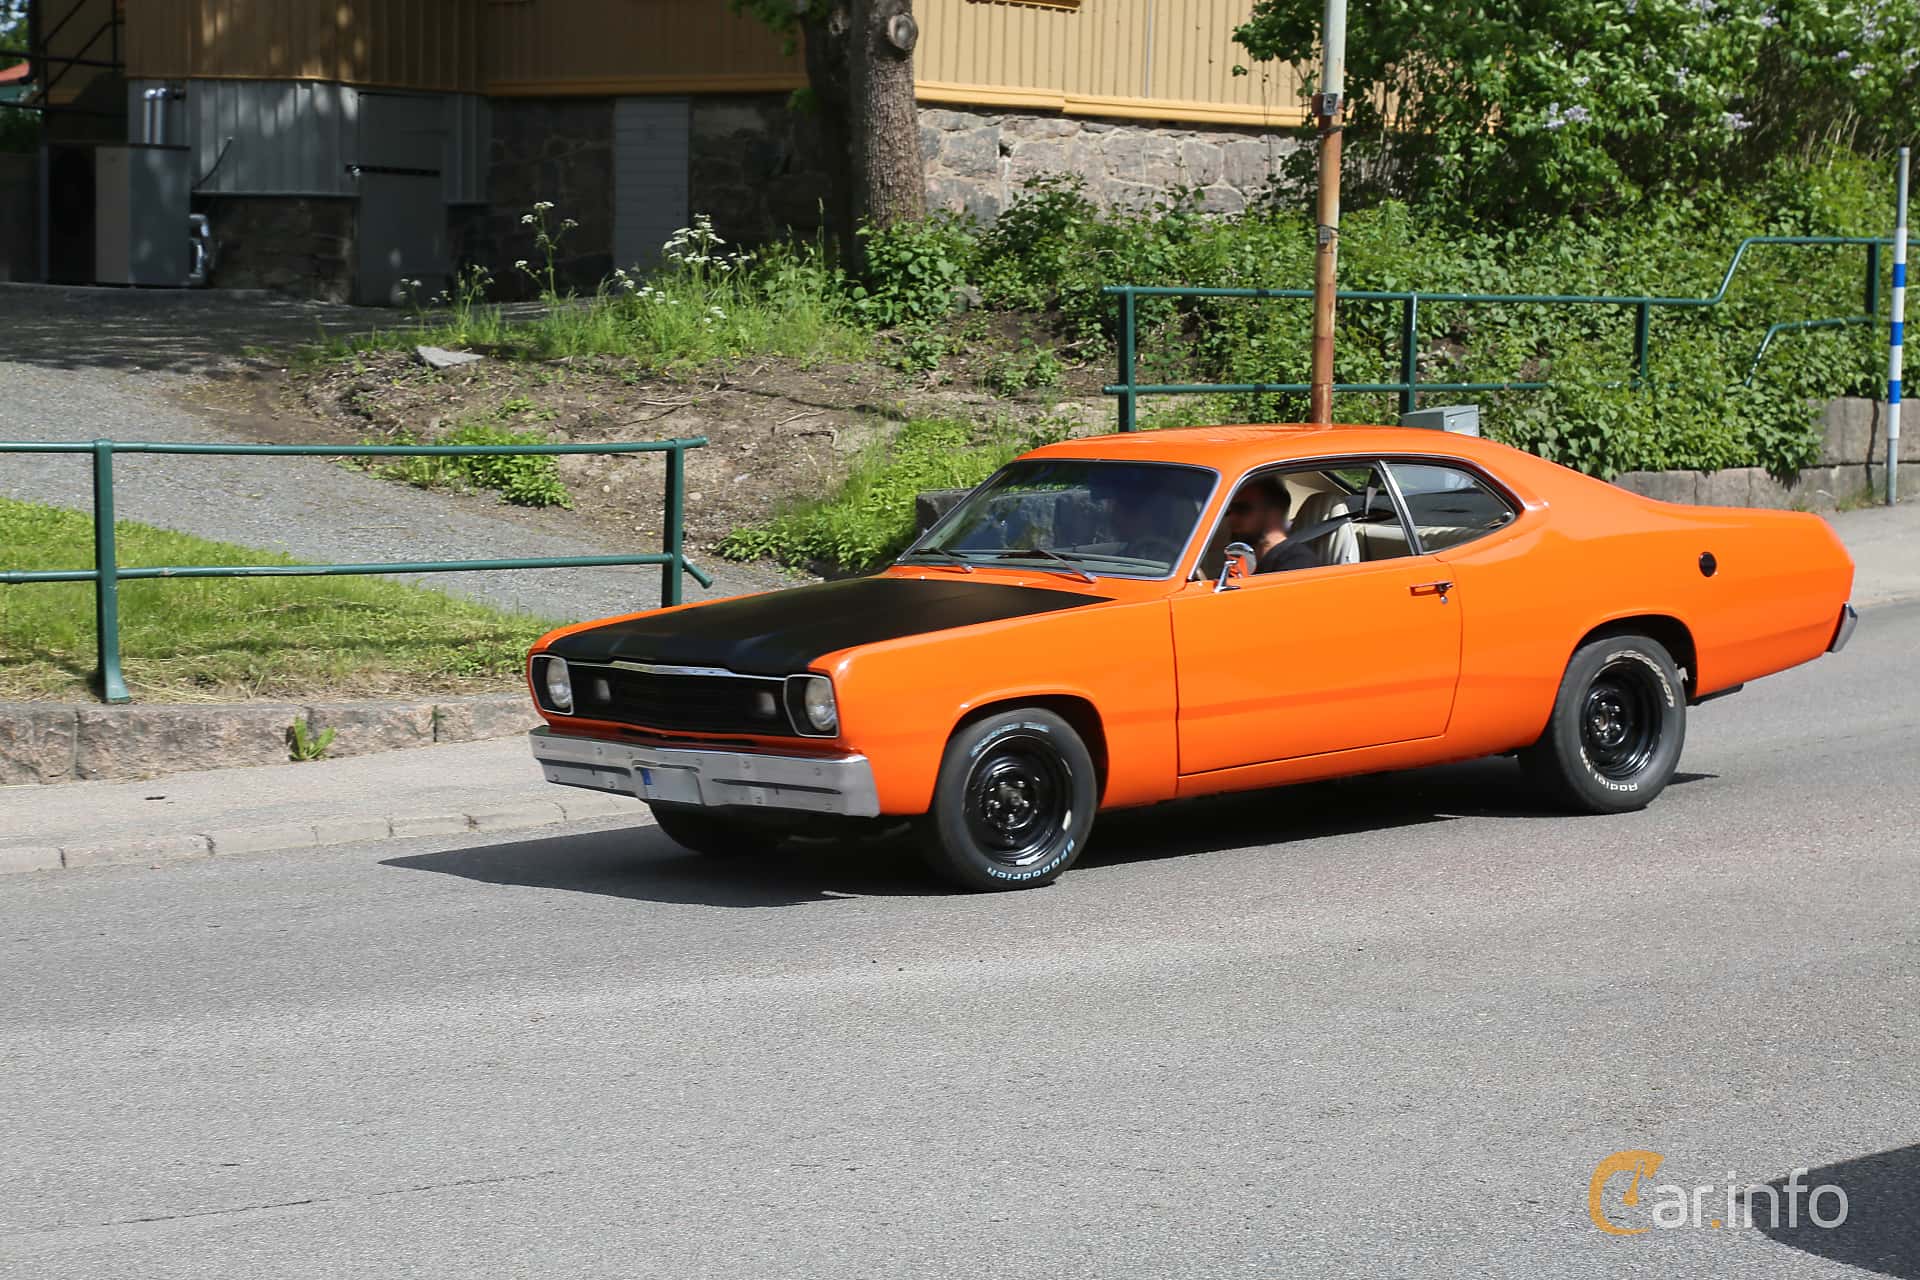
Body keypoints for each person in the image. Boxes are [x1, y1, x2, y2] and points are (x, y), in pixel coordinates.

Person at [1225, 473, 1317, 575]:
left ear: (1273, 514)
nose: (1231, 517)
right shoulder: (1243, 558)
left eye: (1242, 509)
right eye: (1229, 511)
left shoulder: (1298, 562)